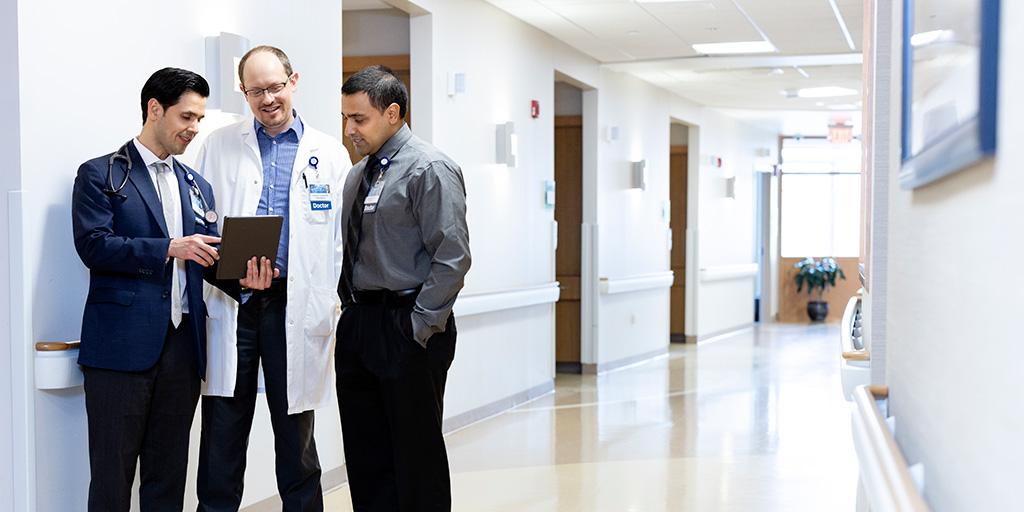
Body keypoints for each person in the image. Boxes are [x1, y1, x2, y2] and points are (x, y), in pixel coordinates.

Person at [72, 67, 275, 512]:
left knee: (167, 478)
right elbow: (94, 246)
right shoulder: (101, 174)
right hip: (121, 351)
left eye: (199, 118)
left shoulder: (196, 185)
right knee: (112, 479)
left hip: (182, 352)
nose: (194, 128)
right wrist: (168, 247)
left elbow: (203, 259)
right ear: (154, 109)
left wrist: (242, 277)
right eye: (186, 117)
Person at [195, 45, 350, 512]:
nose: (267, 99)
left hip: (293, 307)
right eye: (256, 91)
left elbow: (340, 242)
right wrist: (231, 272)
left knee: (295, 436)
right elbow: (201, 221)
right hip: (233, 303)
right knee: (222, 434)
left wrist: (332, 303)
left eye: (276, 87)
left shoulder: (329, 153)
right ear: (243, 92)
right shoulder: (219, 145)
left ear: (293, 81)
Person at [337, 65, 471, 511]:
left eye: (359, 119)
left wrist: (418, 328)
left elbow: (452, 257)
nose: (350, 129)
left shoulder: (429, 168)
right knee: (366, 457)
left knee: (415, 460)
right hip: (360, 324)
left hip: (407, 326)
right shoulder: (358, 175)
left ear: (392, 113)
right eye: (346, 118)